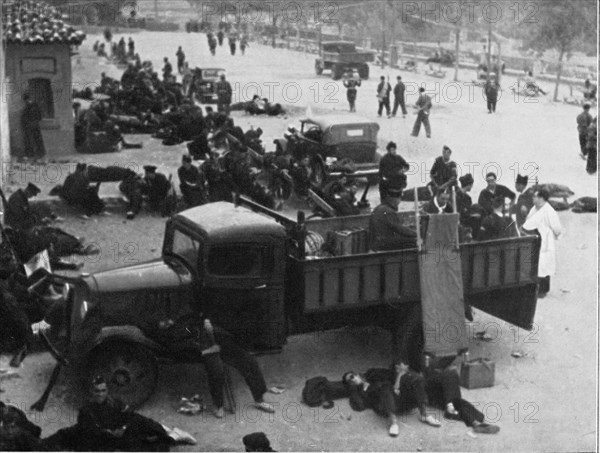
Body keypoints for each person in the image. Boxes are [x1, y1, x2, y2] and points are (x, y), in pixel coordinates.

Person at [42, 376, 195, 450]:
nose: (100, 394)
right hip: (102, 438)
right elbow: (90, 431)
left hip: (118, 430)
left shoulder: (115, 402)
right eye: (97, 391)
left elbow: (129, 416)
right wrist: (110, 433)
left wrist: (123, 428)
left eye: (103, 390)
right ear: (92, 392)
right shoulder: (86, 410)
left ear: (107, 390)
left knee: (140, 421)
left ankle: (171, 433)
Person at [421, 355, 500, 434]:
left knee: (459, 402)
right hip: (425, 389)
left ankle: (475, 423)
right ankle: (451, 408)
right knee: (450, 374)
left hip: (435, 384)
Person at [522, 188, 563, 297]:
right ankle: (534, 289)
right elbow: (528, 221)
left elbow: (557, 228)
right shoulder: (534, 208)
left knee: (545, 265)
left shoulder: (549, 211)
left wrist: (554, 236)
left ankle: (543, 291)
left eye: (535, 196)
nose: (533, 198)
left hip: (545, 241)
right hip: (534, 239)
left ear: (541, 198)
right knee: (535, 264)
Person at [21, 92, 46, 161]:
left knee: (32, 140)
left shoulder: (28, 107)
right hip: (34, 125)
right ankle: (39, 154)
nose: (26, 102)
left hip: (31, 126)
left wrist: (29, 123)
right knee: (36, 140)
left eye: (26, 100)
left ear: (26, 99)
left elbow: (25, 118)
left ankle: (37, 155)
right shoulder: (35, 106)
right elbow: (40, 117)